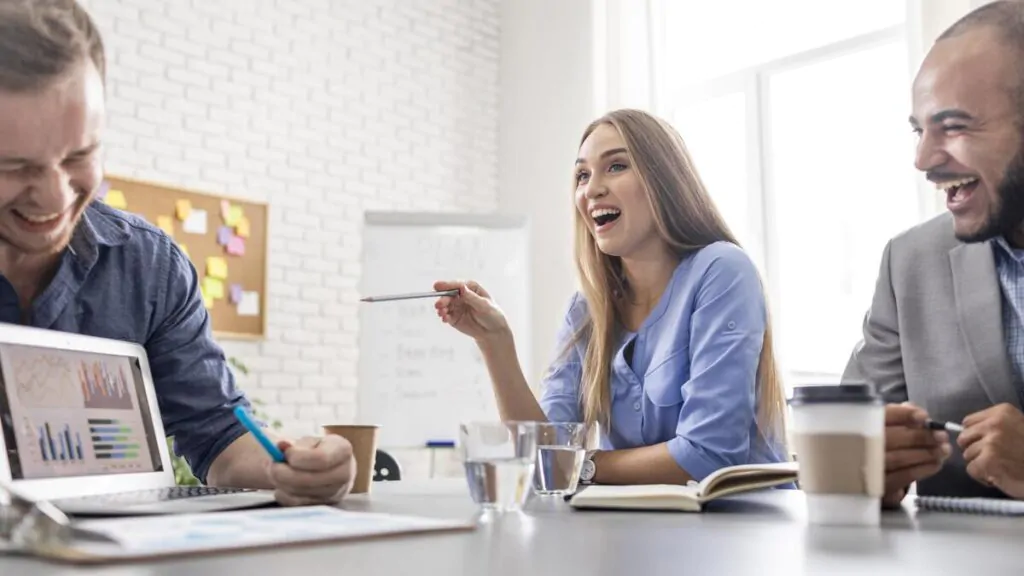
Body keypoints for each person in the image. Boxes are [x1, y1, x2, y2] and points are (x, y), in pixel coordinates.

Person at [0, 0, 353, 504]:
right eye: (15, 167)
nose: (56, 198)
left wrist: (292, 468)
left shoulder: (149, 268)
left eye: (80, 155)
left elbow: (219, 435)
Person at [434, 109, 790, 485]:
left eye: (616, 166)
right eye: (582, 175)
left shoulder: (721, 271)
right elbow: (544, 456)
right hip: (642, 535)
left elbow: (708, 455)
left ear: (664, 180)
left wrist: (580, 467)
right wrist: (494, 342)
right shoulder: (585, 310)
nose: (592, 189)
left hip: (744, 530)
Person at [843, 0, 1024, 505]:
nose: (923, 159)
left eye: (955, 126)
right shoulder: (909, 263)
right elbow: (844, 449)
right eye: (919, 130)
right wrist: (863, 469)